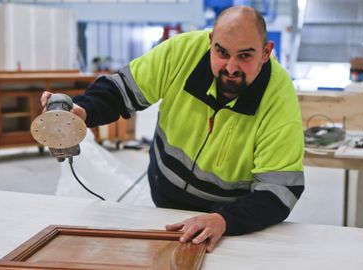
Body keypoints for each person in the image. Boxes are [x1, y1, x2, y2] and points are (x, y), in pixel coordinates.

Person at [41, 5, 304, 252]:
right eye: (222, 52)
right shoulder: (181, 53)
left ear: (266, 52)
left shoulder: (279, 100)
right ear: (211, 41)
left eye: (245, 56)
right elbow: (121, 90)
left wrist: (225, 221)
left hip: (226, 219)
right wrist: (82, 110)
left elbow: (279, 191)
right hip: (164, 200)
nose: (231, 68)